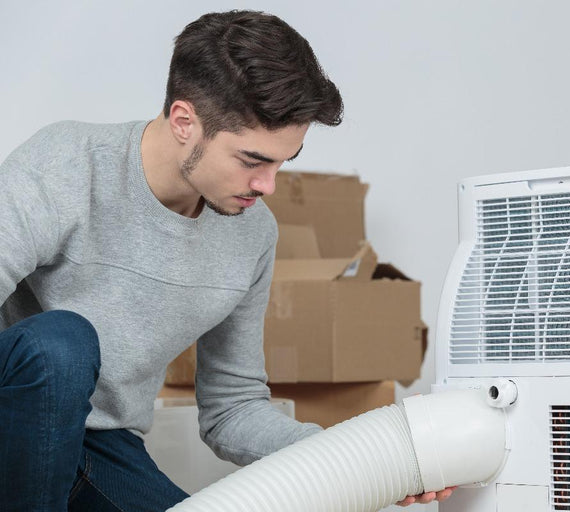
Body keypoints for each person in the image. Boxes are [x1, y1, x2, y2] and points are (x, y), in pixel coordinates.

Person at [0, 9, 453, 512]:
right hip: (10, 419)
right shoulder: (66, 164)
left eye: (284, 161)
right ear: (184, 122)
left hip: (100, 443)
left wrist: (371, 460)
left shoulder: (252, 234)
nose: (268, 186)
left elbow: (232, 409)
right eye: (252, 161)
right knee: (62, 342)